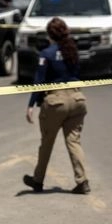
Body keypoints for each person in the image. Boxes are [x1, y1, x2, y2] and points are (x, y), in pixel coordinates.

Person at [22, 17, 90, 194]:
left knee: (47, 143)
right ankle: (82, 181)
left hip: (55, 102)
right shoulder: (72, 51)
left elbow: (39, 81)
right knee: (74, 142)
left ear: (49, 35)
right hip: (77, 99)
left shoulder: (46, 54)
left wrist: (32, 105)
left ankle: (38, 180)